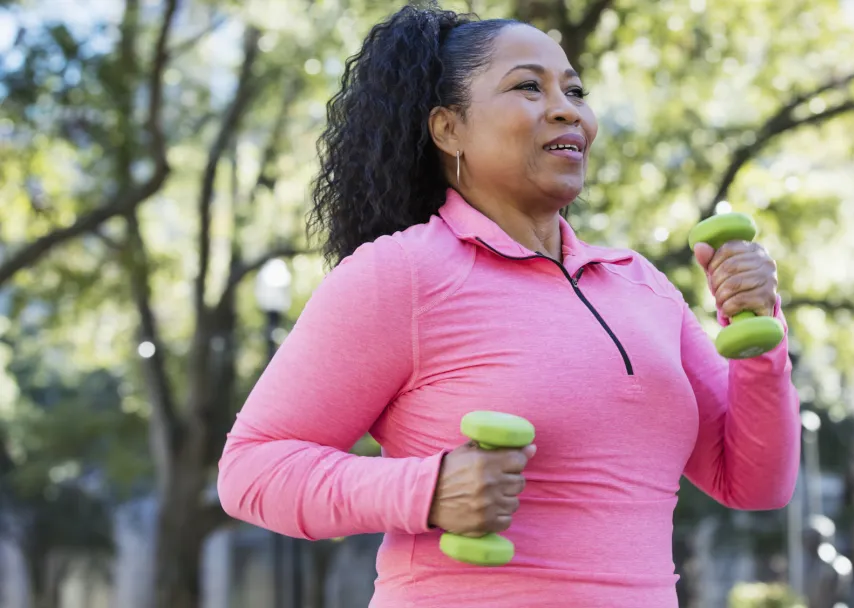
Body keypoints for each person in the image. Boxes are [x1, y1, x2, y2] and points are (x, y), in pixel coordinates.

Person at [217, 3, 800, 607]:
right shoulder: (405, 273)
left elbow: (755, 483)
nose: (566, 107)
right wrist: (429, 489)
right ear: (449, 130)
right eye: (528, 86)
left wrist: (760, 330)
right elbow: (251, 470)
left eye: (575, 90)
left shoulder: (643, 288)